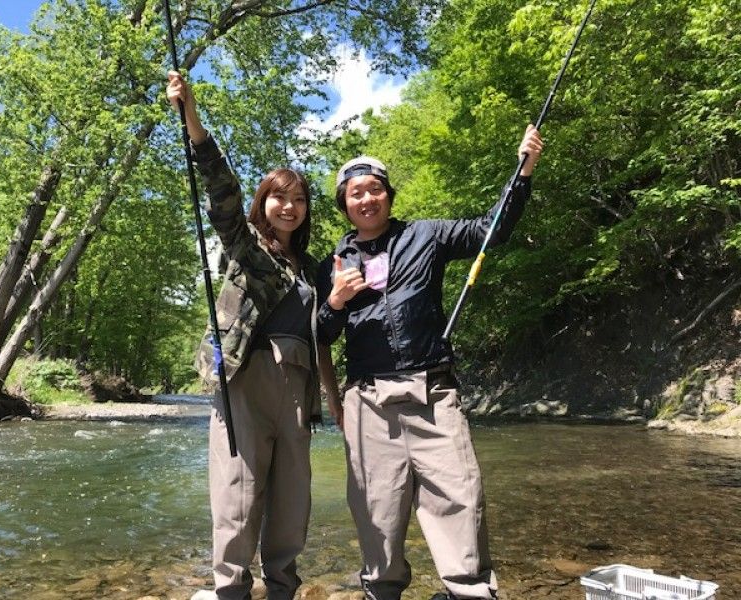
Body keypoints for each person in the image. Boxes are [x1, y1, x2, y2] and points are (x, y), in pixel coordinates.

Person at [316, 126, 543, 600]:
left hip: (433, 393)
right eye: (355, 193)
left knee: (460, 497)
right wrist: (334, 303)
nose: (367, 199)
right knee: (377, 512)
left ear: (388, 195)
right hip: (368, 402)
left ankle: (469, 591)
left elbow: (490, 229)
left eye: (374, 188)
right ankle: (382, 591)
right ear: (345, 204)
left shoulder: (428, 235)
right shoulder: (332, 263)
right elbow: (319, 335)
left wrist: (523, 170)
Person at [166, 71, 334, 600]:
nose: (289, 206)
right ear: (263, 204)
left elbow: (326, 333)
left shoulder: (313, 269)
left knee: (292, 501)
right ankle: (230, 591)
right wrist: (190, 114)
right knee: (238, 493)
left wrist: (335, 397)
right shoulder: (244, 245)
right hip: (245, 377)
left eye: (299, 199)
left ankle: (283, 587)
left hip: (298, 387)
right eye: (279, 198)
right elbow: (220, 185)